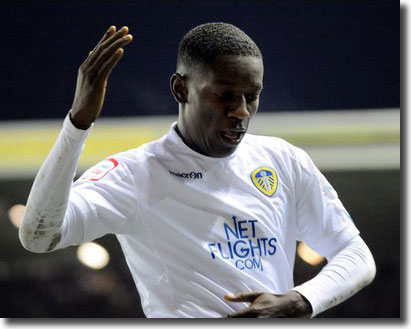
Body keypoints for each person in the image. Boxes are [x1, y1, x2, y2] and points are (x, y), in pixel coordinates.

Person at [19, 22, 376, 318]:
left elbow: (357, 255)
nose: (241, 111)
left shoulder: (282, 160)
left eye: (251, 96)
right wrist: (77, 125)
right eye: (224, 96)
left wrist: (301, 300)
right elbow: (38, 236)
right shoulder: (134, 174)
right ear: (181, 89)